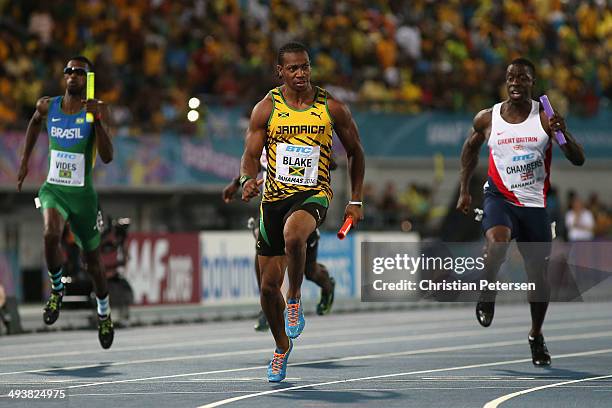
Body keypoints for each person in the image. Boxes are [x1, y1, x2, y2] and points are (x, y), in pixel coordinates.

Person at [240, 42, 365, 382]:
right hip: (274, 200)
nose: (300, 73)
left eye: (305, 67)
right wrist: (246, 179)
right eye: (293, 68)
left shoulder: (331, 107)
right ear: (279, 71)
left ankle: (294, 297)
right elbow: (251, 154)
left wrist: (356, 199)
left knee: (294, 236)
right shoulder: (266, 108)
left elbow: (355, 151)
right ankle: (281, 347)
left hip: (313, 193)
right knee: (267, 289)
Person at [456, 58, 585, 366]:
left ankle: (536, 335)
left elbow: (577, 159)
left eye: (523, 78)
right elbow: (470, 148)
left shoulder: (545, 119)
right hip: (498, 198)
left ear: (532, 82)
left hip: (534, 206)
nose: (515, 82)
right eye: (511, 77)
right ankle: (487, 293)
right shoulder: (488, 118)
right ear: (505, 81)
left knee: (537, 277)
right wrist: (464, 188)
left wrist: (564, 134)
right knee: (497, 243)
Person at [17, 56, 115, 349]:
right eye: (68, 71)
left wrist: (97, 120)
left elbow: (108, 156)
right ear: (64, 77)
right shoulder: (48, 106)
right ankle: (57, 290)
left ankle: (104, 312)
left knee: (93, 263)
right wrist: (24, 162)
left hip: (83, 196)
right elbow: (34, 124)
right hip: (53, 190)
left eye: (79, 72)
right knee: (49, 234)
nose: (72, 75)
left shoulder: (94, 110)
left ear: (87, 79)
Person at [223, 166, 337, 332]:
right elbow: (252, 162)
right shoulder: (267, 143)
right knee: (260, 243)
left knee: (310, 272)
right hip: (273, 206)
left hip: (302, 207)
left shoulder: (310, 141)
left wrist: (316, 159)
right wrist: (237, 183)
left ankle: (328, 287)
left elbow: (332, 162)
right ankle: (267, 303)